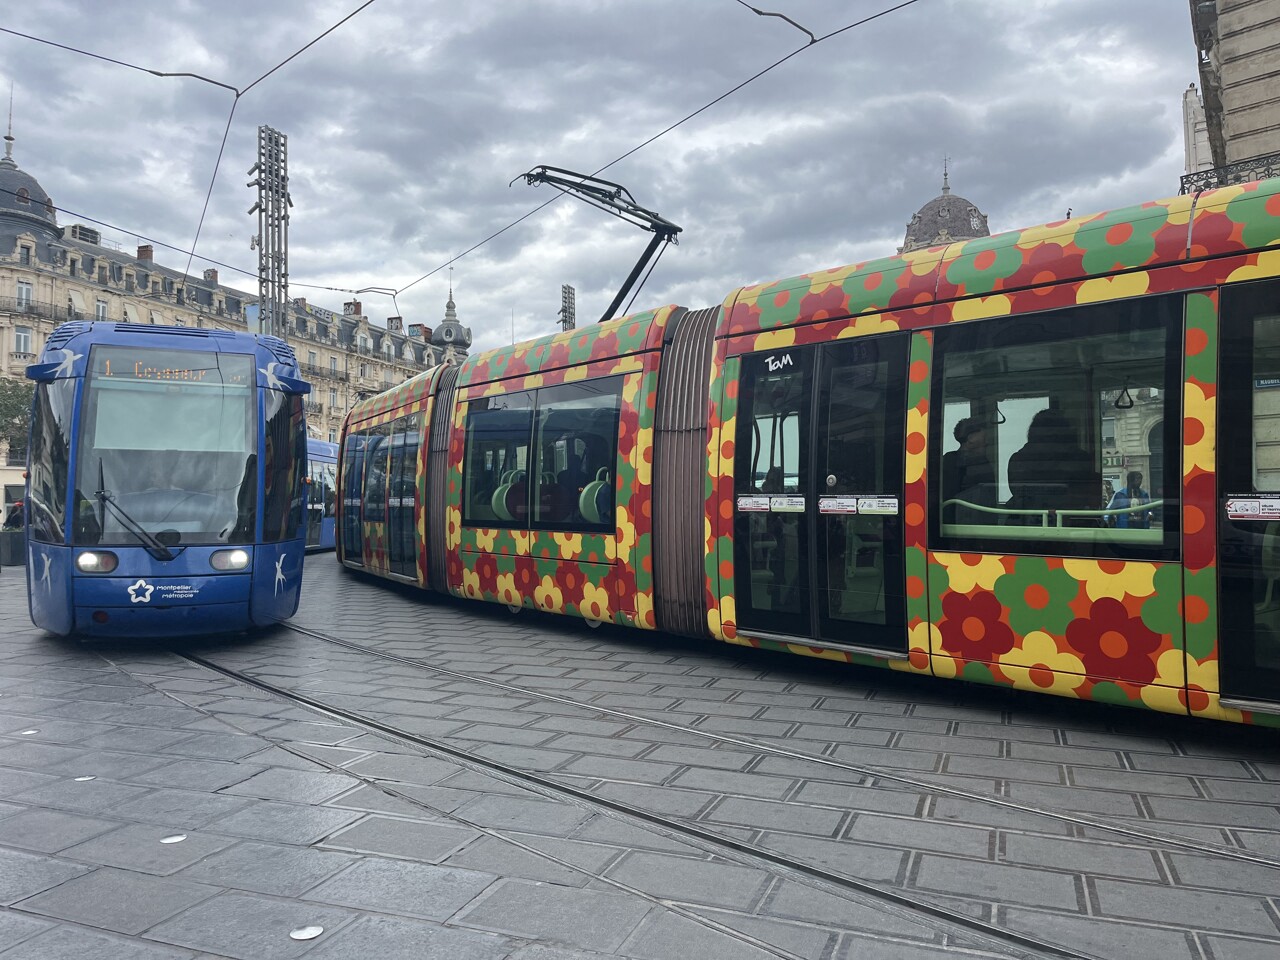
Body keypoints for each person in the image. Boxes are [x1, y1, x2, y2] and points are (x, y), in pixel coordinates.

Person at [1007, 408, 1097, 526]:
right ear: (1065, 432)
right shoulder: (1079, 459)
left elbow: (1017, 493)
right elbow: (1083, 497)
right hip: (1068, 524)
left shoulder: (1018, 459)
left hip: (1025, 525)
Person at [940, 417, 996, 523]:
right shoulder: (953, 462)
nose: (987, 442)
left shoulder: (948, 460)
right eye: (985, 437)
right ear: (971, 439)